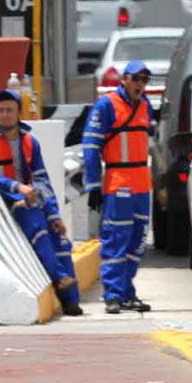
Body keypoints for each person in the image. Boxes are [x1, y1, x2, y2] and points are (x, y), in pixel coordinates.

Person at [0, 86, 83, 317]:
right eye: (0, 110)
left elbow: (42, 180)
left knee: (59, 238)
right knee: (37, 226)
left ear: (18, 113)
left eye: (9, 110)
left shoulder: (30, 142)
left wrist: (54, 216)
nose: (4, 115)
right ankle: (60, 278)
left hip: (28, 199)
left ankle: (71, 301)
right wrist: (17, 190)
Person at [81, 59, 156, 315]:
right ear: (124, 79)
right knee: (116, 241)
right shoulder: (107, 105)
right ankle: (112, 294)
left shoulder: (146, 106)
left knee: (137, 242)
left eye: (145, 80)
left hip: (141, 183)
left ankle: (126, 292)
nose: (141, 84)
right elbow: (90, 146)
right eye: (136, 79)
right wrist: (92, 185)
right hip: (118, 183)